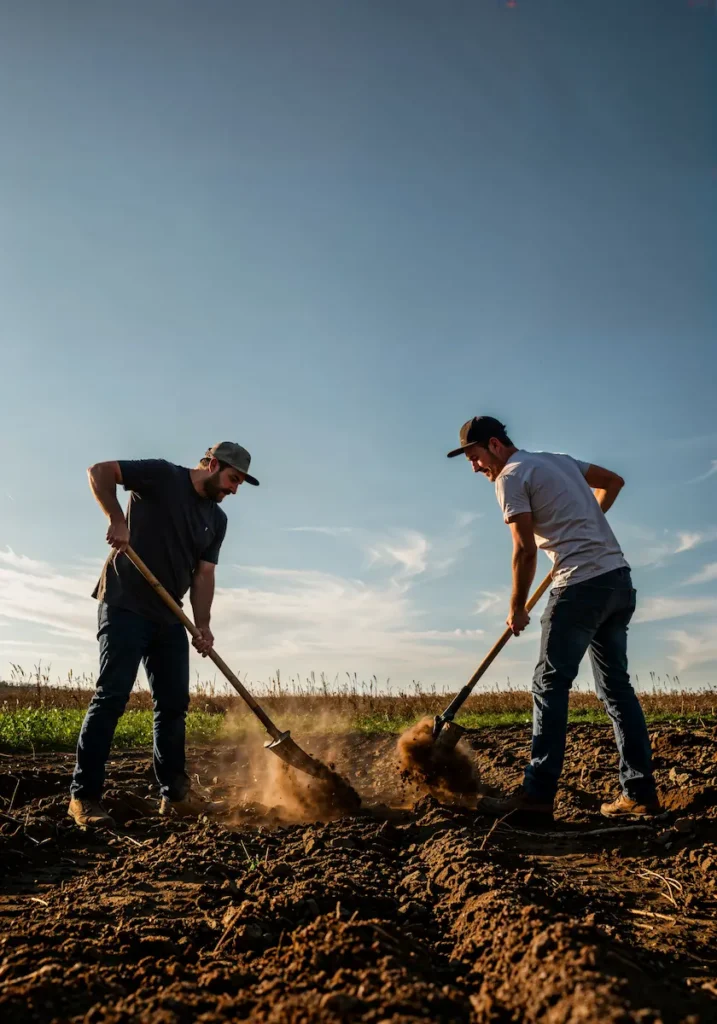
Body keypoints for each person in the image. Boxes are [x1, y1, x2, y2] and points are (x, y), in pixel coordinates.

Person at [447, 416, 660, 821]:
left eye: (474, 457)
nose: (474, 467)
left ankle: (537, 796)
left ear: (494, 445)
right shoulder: (558, 460)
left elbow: (525, 550)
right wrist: (586, 523)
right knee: (617, 690)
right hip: (617, 581)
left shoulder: (509, 477)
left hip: (579, 586)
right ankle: (639, 793)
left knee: (549, 685)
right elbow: (613, 482)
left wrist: (517, 606)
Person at [68, 442, 259, 827]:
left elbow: (203, 575)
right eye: (233, 479)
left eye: (239, 483)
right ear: (213, 464)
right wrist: (116, 519)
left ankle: (175, 797)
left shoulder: (217, 520)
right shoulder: (162, 475)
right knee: (112, 696)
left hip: (169, 614)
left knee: (173, 705)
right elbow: (99, 471)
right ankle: (83, 798)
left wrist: (203, 625)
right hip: (124, 602)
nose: (234, 489)